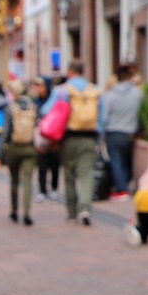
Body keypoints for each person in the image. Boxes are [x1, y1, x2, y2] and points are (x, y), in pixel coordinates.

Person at [55, 61, 99, 225]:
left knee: (69, 176)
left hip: (68, 139)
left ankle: (72, 213)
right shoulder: (94, 90)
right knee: (87, 175)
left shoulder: (61, 91)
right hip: (89, 138)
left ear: (70, 71)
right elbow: (102, 119)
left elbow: (47, 111)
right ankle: (85, 208)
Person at [1, 81, 40, 225]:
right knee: (28, 180)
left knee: (14, 180)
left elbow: (6, 132)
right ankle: (27, 213)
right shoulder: (34, 107)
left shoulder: (11, 108)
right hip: (30, 147)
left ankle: (14, 211)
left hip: (15, 147)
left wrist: (0, 153)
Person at [102, 64, 142, 198]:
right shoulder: (137, 93)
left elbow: (104, 117)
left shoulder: (110, 95)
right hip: (131, 133)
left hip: (113, 132)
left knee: (116, 160)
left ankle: (122, 189)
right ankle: (125, 184)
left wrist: (101, 134)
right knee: (128, 160)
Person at [32, 77, 62, 203]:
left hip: (54, 137)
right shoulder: (35, 102)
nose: (38, 89)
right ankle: (42, 190)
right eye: (37, 86)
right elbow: (34, 122)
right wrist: (36, 141)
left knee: (55, 164)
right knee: (42, 165)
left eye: (41, 86)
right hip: (41, 138)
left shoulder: (53, 100)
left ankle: (54, 188)